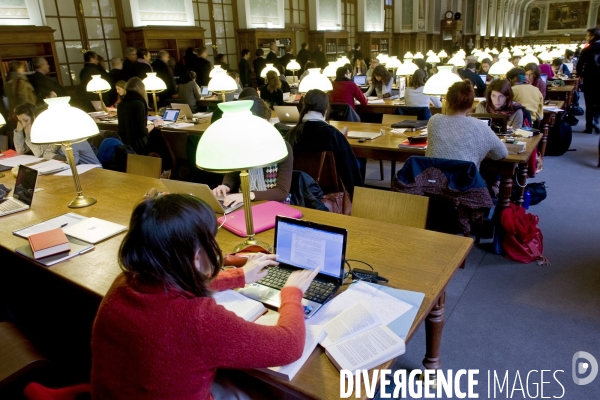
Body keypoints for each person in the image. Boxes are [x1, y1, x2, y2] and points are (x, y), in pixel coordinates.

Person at [91, 193, 318, 399]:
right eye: (212, 239)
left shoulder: (123, 284)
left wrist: (238, 276)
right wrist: (292, 293)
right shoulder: (197, 318)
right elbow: (289, 346)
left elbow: (173, 282)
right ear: (198, 256)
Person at [213, 99, 294, 206]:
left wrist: (247, 195)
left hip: (274, 205)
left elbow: (282, 192)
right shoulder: (242, 143)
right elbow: (234, 173)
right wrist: (226, 185)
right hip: (244, 202)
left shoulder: (282, 147)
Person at [284, 89, 363, 198]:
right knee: (357, 162)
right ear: (326, 109)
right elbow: (349, 169)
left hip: (299, 191)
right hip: (331, 194)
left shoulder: (292, 134)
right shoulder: (333, 134)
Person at [426, 80, 508, 168]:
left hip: (433, 179)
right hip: (465, 180)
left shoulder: (434, 121)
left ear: (447, 102)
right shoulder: (481, 126)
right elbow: (502, 154)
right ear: (471, 105)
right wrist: (481, 150)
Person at [14, 103, 100, 165]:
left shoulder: (66, 135)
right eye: (20, 121)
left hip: (91, 170)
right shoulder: (37, 130)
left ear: (34, 117)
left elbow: (39, 153)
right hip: (77, 168)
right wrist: (18, 132)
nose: (23, 125)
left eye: (25, 120)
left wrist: (29, 135)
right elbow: (45, 154)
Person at [118, 78, 161, 154]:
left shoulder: (121, 104)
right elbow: (141, 132)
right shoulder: (139, 104)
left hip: (125, 146)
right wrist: (154, 124)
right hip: (139, 147)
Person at [577, 27, 600, 135]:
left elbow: (579, 66)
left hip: (590, 80)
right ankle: (597, 120)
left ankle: (589, 127)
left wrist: (583, 75)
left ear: (592, 36)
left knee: (589, 105)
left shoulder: (587, 49)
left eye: (587, 35)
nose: (586, 37)